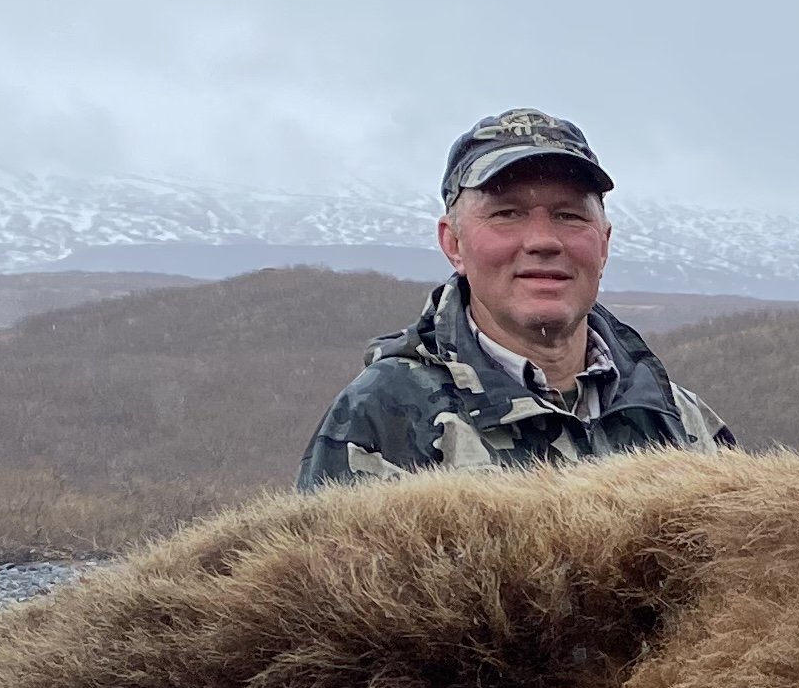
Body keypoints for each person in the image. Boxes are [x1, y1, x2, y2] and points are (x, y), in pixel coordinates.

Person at [298, 109, 736, 483]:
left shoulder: (681, 421)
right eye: (507, 214)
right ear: (454, 244)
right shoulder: (380, 416)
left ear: (603, 245)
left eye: (569, 215)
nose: (543, 241)